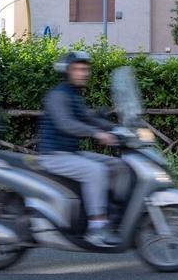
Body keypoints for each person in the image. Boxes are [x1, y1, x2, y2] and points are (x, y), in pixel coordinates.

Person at [37, 50, 120, 247]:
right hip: (54, 155)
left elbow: (88, 118)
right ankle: (97, 227)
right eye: (78, 69)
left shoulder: (73, 95)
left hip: (70, 153)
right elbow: (66, 124)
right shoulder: (58, 95)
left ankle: (113, 213)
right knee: (95, 171)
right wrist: (97, 134)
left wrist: (118, 129)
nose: (83, 73)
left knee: (117, 165)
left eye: (85, 69)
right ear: (67, 71)